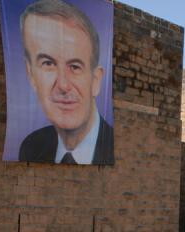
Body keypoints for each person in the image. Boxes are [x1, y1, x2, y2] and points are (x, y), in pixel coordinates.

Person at [18, 0, 114, 165]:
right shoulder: (31, 146)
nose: (63, 85)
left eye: (75, 67)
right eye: (48, 63)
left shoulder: (115, 148)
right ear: (31, 75)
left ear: (96, 81)